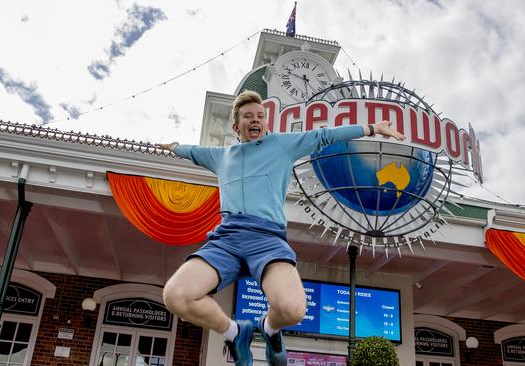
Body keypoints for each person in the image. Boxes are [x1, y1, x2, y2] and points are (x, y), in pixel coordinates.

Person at [158, 90, 404, 366]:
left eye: (261, 116)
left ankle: (270, 328)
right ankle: (235, 332)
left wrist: (372, 128)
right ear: (236, 126)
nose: (256, 120)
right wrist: (174, 147)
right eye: (248, 116)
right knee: (176, 296)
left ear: (266, 123)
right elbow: (192, 152)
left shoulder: (281, 145)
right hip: (226, 238)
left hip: (267, 237)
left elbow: (323, 136)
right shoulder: (220, 156)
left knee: (293, 310)